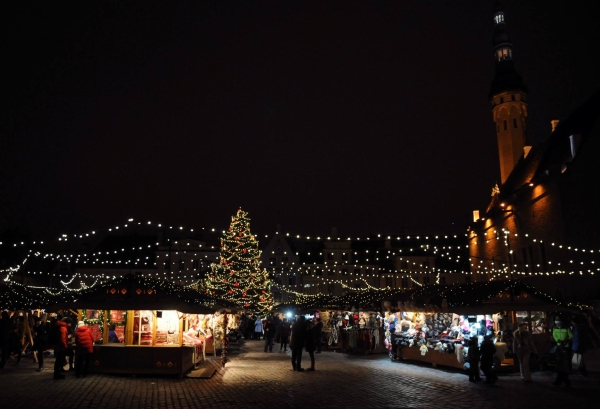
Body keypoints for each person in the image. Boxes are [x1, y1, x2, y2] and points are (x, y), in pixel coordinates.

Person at [552, 317, 573, 387]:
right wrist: (557, 340)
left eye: (559, 322)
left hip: (566, 347)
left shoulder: (566, 328)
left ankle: (560, 381)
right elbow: (554, 335)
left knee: (563, 363)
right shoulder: (555, 328)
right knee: (560, 363)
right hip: (559, 346)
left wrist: (566, 340)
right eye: (556, 323)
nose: (558, 324)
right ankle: (562, 381)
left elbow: (571, 336)